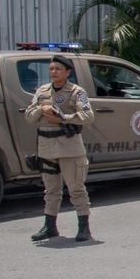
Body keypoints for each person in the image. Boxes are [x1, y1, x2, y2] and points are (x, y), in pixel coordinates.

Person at [24, 54, 95, 242]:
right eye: (51, 69)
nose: (53, 72)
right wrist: (42, 110)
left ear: (67, 72)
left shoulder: (77, 92)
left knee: (76, 188)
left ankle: (84, 227)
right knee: (51, 189)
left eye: (58, 69)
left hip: (68, 146)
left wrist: (63, 117)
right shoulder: (42, 91)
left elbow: (88, 116)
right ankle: (49, 226)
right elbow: (29, 116)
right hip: (46, 147)